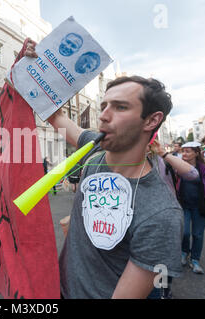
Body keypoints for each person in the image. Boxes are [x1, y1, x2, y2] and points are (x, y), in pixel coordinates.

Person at [25, 39, 183, 299]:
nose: (103, 115)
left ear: (152, 120)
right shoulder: (95, 149)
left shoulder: (161, 213)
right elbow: (55, 115)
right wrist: (36, 68)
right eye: (105, 105)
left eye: (120, 107)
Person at [147, 139, 200, 298]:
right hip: (140, 219)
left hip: (165, 217)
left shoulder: (164, 161)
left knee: (162, 260)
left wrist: (164, 153)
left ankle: (163, 290)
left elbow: (193, 174)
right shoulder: (126, 161)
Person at [177, 142, 205, 274]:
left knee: (198, 234)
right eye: (183, 151)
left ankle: (195, 260)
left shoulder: (204, 169)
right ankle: (184, 252)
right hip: (183, 205)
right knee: (184, 232)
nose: (184, 154)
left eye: (188, 151)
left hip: (200, 207)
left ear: (196, 153)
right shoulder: (178, 167)